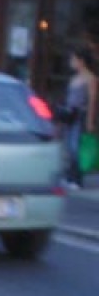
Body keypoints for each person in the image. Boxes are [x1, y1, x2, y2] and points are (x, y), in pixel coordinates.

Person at [63, 47, 97, 190]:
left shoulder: (91, 79)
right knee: (69, 146)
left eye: (74, 59)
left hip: (80, 115)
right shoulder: (74, 78)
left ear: (81, 61)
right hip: (70, 114)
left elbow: (92, 101)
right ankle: (69, 176)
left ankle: (76, 179)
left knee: (76, 147)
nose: (71, 62)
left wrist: (90, 120)